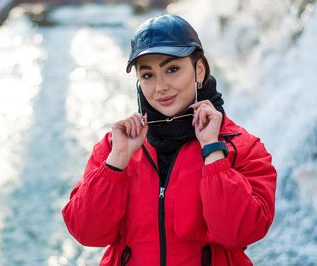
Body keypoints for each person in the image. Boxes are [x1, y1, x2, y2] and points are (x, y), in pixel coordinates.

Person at [62, 14, 277, 266]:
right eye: (147, 75)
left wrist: (212, 151)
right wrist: (117, 162)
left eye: (172, 69)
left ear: (199, 70)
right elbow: (87, 233)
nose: (160, 87)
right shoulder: (114, 147)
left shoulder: (242, 147)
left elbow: (240, 232)